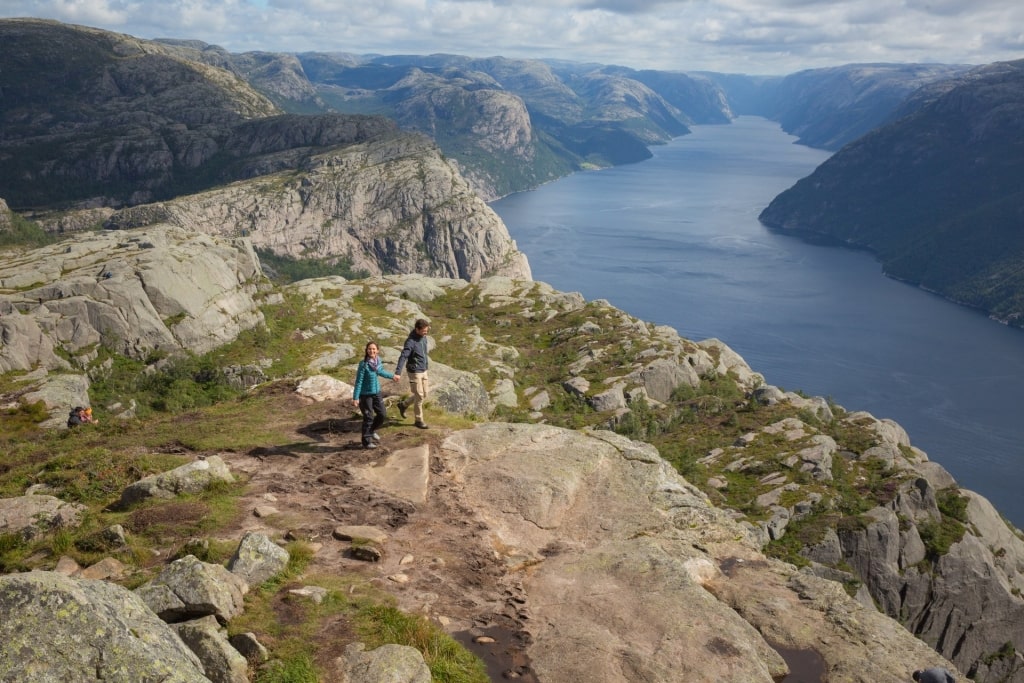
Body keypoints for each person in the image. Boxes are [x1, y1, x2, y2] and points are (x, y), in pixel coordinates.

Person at [352, 341, 396, 449]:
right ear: (366, 351)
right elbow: (359, 381)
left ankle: (371, 430)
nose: (371, 351)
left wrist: (392, 376)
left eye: (373, 349)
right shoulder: (363, 364)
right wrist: (355, 398)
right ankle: (366, 442)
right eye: (369, 349)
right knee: (368, 417)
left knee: (382, 414)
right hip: (365, 395)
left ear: (377, 350)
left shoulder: (378, 361)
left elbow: (381, 372)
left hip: (377, 393)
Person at [393, 318, 431, 429]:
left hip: (424, 370)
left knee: (424, 394)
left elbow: (424, 353)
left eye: (426, 331)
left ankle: (403, 405)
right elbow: (403, 356)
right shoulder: (410, 342)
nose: (426, 333)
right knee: (419, 396)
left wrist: (426, 366)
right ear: (417, 329)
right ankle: (418, 420)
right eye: (424, 331)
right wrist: (398, 372)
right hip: (414, 372)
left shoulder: (424, 338)